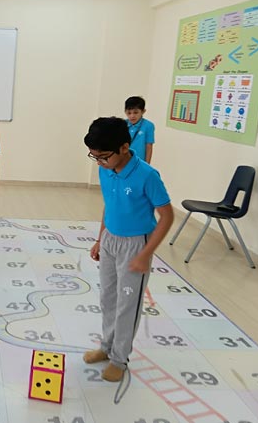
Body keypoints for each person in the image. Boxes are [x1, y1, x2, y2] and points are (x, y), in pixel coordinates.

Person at [83, 117, 173, 381]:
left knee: (127, 304)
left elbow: (167, 216)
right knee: (107, 298)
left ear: (124, 147)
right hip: (110, 240)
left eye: (103, 156)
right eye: (94, 156)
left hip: (136, 246)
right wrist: (100, 239)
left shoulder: (147, 175)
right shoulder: (105, 169)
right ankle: (106, 346)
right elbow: (109, 205)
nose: (99, 162)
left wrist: (145, 255)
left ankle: (119, 359)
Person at [124, 96, 155, 164]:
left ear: (143, 111)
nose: (132, 116)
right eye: (129, 113)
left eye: (135, 112)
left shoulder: (148, 125)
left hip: (139, 161)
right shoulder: (123, 124)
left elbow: (149, 147)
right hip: (123, 160)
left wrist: (147, 165)